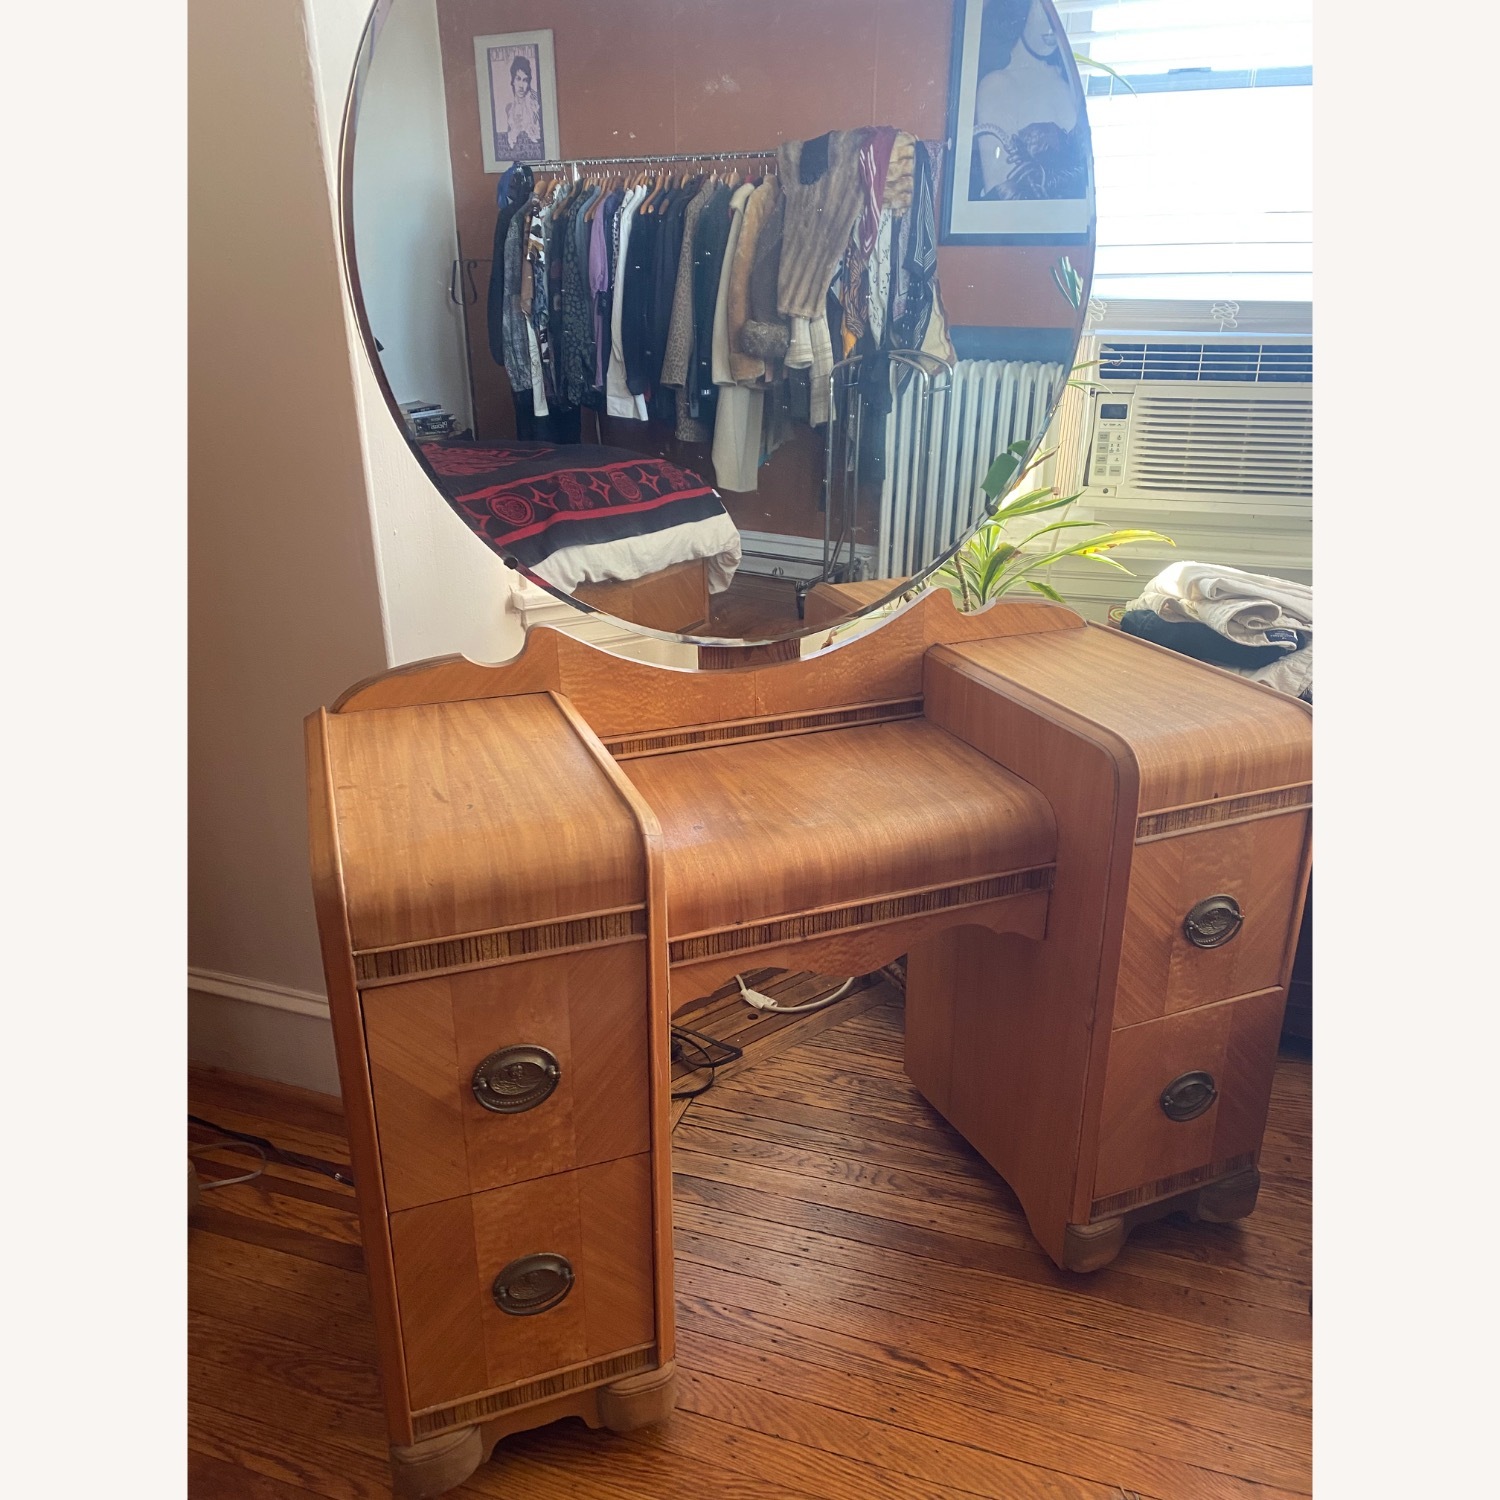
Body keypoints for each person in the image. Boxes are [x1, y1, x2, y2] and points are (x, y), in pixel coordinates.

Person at [970, 0, 1087, 201]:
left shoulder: (1069, 86)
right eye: (1042, 9)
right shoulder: (997, 86)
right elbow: (1003, 194)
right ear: (1018, 10)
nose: (1052, 24)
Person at [499, 53, 542, 159]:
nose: (521, 86)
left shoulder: (535, 104)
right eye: (518, 79)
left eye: (525, 80)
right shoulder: (509, 109)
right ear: (512, 81)